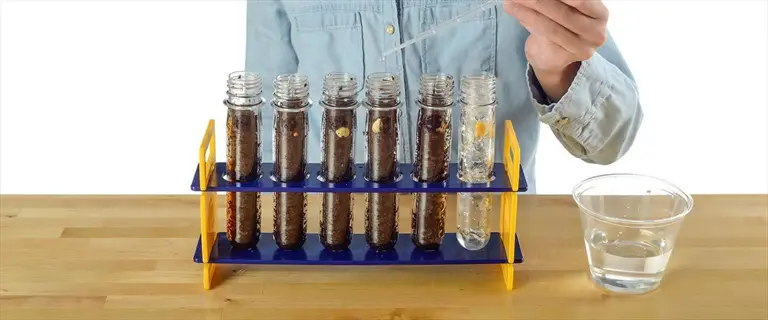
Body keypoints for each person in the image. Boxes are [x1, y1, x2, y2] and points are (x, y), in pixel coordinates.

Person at [245, 0, 642, 193]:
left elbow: (611, 141)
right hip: (334, 250)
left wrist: (559, 70)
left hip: (486, 249)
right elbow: (263, 123)